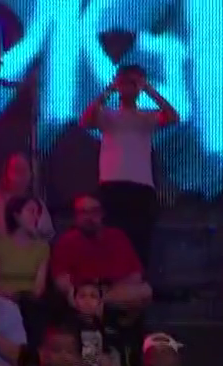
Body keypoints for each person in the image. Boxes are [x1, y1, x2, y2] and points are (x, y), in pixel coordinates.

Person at [79, 63, 178, 266]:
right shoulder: (108, 115)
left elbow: (172, 117)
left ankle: (138, 279)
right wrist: (110, 89)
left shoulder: (146, 116)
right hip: (112, 185)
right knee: (110, 240)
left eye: (133, 83)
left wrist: (148, 88)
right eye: (125, 82)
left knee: (140, 241)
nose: (128, 87)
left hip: (141, 187)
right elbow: (86, 120)